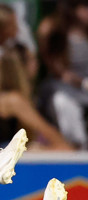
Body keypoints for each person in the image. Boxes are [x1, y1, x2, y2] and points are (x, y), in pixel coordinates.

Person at [0, 49, 73, 150]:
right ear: (21, 67)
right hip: (7, 159)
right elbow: (49, 133)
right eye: (33, 60)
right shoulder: (13, 100)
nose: (37, 64)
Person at [36, 0, 88, 150]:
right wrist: (83, 83)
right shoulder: (56, 28)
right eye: (84, 6)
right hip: (67, 85)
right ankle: (77, 147)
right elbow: (57, 69)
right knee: (61, 101)